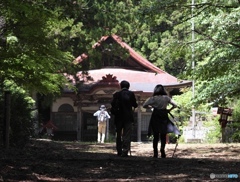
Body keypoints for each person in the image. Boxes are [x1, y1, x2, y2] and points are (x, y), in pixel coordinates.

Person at [143, 84, 179, 158]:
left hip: (155, 115)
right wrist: (169, 109)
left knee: (155, 135)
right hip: (163, 115)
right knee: (163, 134)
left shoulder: (153, 98)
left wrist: (152, 106)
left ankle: (155, 152)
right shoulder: (166, 98)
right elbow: (175, 104)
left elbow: (144, 105)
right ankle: (162, 149)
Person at [111, 80, 138, 157]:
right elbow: (135, 105)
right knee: (127, 134)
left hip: (118, 117)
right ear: (128, 86)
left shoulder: (116, 94)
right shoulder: (131, 94)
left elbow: (112, 104)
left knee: (118, 134)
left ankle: (119, 150)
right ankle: (125, 150)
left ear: (121, 86)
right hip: (128, 117)